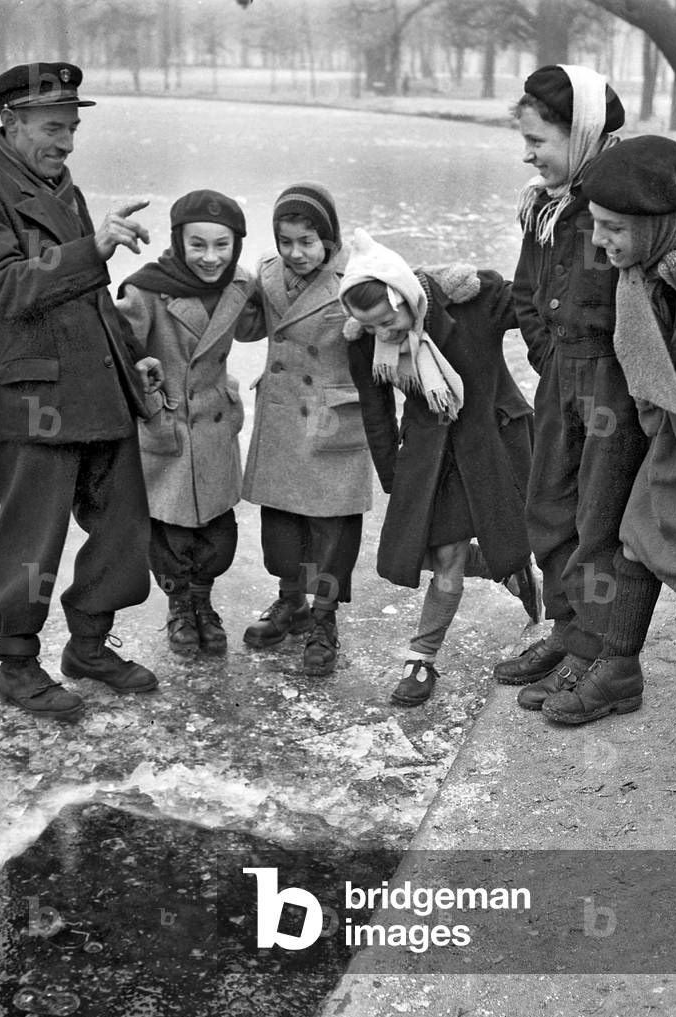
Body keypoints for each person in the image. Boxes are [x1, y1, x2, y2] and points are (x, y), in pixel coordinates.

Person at [0, 62, 163, 722]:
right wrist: (93, 248)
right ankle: (17, 665)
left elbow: (90, 297)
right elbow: (7, 290)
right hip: (34, 395)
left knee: (123, 527)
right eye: (52, 128)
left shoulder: (60, 184)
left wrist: (133, 360)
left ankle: (89, 645)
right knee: (30, 541)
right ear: (10, 122)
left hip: (98, 386)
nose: (66, 142)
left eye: (71, 128)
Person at [539, 135, 676, 724]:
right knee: (641, 538)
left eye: (613, 229)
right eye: (596, 226)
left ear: (660, 222)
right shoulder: (639, 273)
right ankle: (620, 671)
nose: (599, 242)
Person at [493, 65, 651, 713]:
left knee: (599, 521)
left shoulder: (627, 203)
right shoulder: (544, 206)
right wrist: (549, 354)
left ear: (580, 132)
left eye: (539, 140)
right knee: (549, 505)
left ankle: (598, 650)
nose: (528, 154)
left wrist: (610, 372)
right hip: (562, 372)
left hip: (614, 384)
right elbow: (526, 291)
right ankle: (568, 630)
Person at [341, 229, 535, 705]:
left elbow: (537, 309)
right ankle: (422, 661)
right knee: (442, 558)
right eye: (370, 327)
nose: (382, 335)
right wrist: (396, 477)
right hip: (434, 456)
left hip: (496, 441)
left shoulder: (471, 301)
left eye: (388, 321)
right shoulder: (365, 342)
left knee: (530, 538)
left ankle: (513, 569)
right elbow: (377, 412)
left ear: (407, 296)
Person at [239, 183, 372, 676]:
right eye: (285, 240)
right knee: (282, 524)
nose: (295, 253)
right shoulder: (267, 273)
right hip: (281, 410)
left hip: (332, 412)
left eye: (307, 242)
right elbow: (248, 330)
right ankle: (289, 602)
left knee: (332, 528)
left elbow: (395, 319)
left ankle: (323, 618)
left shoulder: (356, 275)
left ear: (329, 239)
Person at [115, 189, 256, 655]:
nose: (211, 257)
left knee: (216, 528)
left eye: (223, 244)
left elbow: (263, 322)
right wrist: (140, 378)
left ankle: (203, 601)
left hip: (215, 423)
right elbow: (115, 348)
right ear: (178, 241)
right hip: (169, 422)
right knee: (172, 530)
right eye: (198, 245)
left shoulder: (239, 285)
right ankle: (180, 607)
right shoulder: (146, 291)